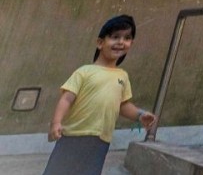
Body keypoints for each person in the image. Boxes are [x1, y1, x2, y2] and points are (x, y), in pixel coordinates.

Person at [45, 15, 157, 175]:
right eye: (115, 37)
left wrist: (139, 115)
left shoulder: (122, 76)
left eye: (127, 38)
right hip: (74, 135)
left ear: (131, 43)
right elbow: (67, 98)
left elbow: (122, 105)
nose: (121, 42)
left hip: (100, 140)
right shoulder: (85, 71)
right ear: (100, 43)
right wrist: (56, 123)